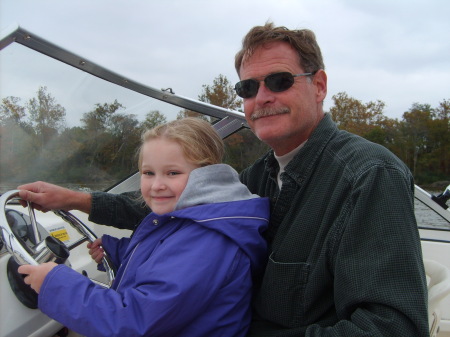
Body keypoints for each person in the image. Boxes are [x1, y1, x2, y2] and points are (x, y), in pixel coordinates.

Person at [18, 22, 429, 336]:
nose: (261, 97)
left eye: (280, 81)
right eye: (248, 87)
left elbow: (390, 326)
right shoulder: (263, 175)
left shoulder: (368, 175)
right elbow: (170, 202)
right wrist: (76, 199)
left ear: (319, 86)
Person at [18, 117, 269, 337]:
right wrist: (116, 251)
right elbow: (166, 259)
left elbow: (134, 321)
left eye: (172, 173)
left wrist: (54, 284)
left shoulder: (209, 239)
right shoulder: (189, 219)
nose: (156, 185)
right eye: (148, 173)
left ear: (207, 175)